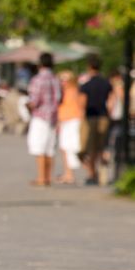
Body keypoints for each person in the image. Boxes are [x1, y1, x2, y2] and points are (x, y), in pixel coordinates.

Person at [26, 52, 62, 187]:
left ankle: (41, 178)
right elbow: (59, 98)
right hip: (53, 117)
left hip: (40, 117)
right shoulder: (55, 79)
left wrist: (28, 106)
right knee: (49, 149)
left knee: (39, 147)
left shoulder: (37, 79)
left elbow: (34, 100)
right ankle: (48, 177)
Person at [78, 54, 114, 185]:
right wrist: (108, 113)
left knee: (90, 147)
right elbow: (111, 101)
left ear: (89, 67)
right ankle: (100, 172)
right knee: (101, 146)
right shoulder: (106, 83)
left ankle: (92, 174)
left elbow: (82, 103)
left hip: (90, 117)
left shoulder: (86, 85)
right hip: (103, 116)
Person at [56, 70, 84, 184]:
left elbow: (81, 107)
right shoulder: (62, 92)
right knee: (65, 148)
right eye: (61, 79)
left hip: (73, 121)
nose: (63, 82)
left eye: (66, 80)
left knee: (73, 148)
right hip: (65, 121)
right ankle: (68, 173)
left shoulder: (75, 91)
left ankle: (92, 172)